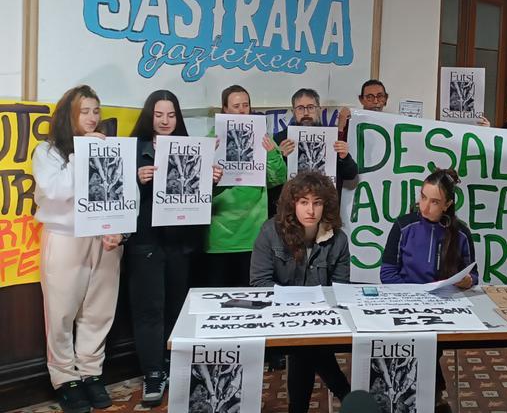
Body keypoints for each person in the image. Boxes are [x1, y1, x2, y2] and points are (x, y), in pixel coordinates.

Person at [126, 90, 223, 407]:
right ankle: (153, 372)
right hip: (146, 243)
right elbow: (113, 196)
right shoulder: (133, 150)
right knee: (148, 310)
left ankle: (172, 364)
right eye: (159, 115)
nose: (165, 121)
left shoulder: (191, 149)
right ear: (149, 116)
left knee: (177, 308)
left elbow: (197, 197)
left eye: (171, 115)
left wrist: (212, 179)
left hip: (181, 242)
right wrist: (135, 179)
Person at [33, 85, 124, 413]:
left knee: (99, 309)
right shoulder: (48, 151)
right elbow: (56, 190)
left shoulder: (108, 147)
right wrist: (82, 154)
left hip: (102, 239)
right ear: (68, 115)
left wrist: (118, 231)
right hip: (64, 237)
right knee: (61, 311)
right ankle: (64, 377)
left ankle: (90, 372)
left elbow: (118, 195)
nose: (91, 117)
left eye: (95, 111)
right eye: (84, 111)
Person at [250, 172, 351, 413]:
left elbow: (340, 288)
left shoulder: (338, 240)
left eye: (317, 203)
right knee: (307, 348)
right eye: (304, 202)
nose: (311, 210)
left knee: (304, 350)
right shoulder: (270, 232)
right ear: (292, 204)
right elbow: (259, 283)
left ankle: (303, 408)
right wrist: (296, 304)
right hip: (280, 318)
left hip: (322, 320)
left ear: (325, 205)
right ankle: (346, 395)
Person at [380, 169, 478, 413]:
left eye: (434, 202)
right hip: (405, 302)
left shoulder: (462, 233)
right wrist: (416, 294)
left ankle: (424, 395)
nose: (425, 206)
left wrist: (467, 281)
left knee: (430, 340)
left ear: (447, 205)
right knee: (422, 341)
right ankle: (431, 393)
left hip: (443, 307)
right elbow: (387, 274)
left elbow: (474, 275)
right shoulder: (404, 225)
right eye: (423, 197)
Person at [202, 85, 287, 287]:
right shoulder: (210, 140)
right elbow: (196, 189)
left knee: (252, 300)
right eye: (236, 106)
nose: (242, 110)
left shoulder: (263, 138)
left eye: (245, 105)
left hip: (254, 236)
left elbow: (278, 179)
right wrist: (207, 165)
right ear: (225, 109)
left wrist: (272, 153)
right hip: (219, 239)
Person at [270, 88, 358, 216]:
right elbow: (272, 182)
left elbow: (351, 174)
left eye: (310, 107)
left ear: (319, 109)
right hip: (291, 210)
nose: (306, 112)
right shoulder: (280, 138)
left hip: (324, 209)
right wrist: (280, 157)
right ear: (293, 111)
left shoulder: (331, 137)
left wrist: (344, 157)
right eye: (300, 108)